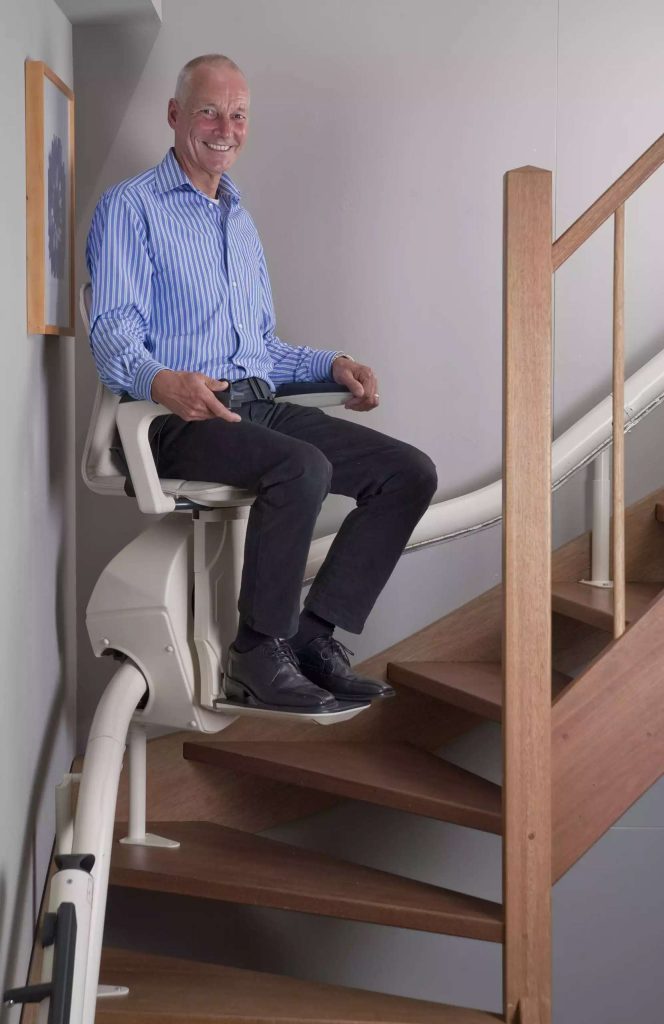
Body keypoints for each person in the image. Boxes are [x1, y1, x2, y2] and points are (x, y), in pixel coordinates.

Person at [86, 53, 437, 715]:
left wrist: (331, 365)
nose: (225, 127)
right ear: (175, 116)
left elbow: (265, 351)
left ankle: (310, 637)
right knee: (302, 467)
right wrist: (162, 381)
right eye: (209, 111)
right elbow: (112, 333)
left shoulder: (239, 224)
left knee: (407, 473)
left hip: (257, 407)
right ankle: (256, 653)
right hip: (176, 421)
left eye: (238, 115)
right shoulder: (131, 208)